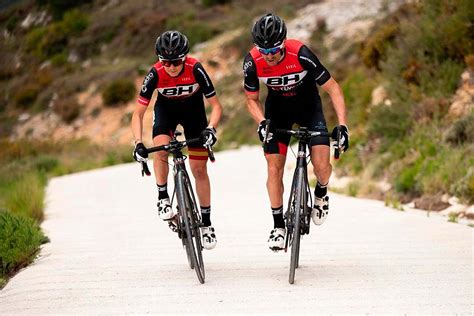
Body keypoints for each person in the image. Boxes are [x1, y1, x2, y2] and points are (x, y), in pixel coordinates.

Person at [243, 13, 349, 251]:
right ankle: (278, 226)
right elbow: (251, 99)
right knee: (273, 167)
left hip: (309, 108)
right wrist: (261, 122)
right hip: (277, 111)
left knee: (322, 166)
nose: (269, 56)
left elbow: (333, 89)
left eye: (274, 51)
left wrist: (342, 125)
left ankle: (321, 194)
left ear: (284, 43)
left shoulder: (300, 53)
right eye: (264, 51)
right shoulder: (252, 61)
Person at [132, 30, 223, 250]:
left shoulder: (196, 69)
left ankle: (207, 225)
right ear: (160, 60)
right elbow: (138, 114)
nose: (171, 67)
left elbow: (216, 107)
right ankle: (163, 197)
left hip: (194, 113)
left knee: (199, 170)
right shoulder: (154, 74)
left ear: (184, 58)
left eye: (176, 61)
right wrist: (137, 143)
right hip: (166, 112)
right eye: (166, 62)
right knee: (161, 149)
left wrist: (211, 129)